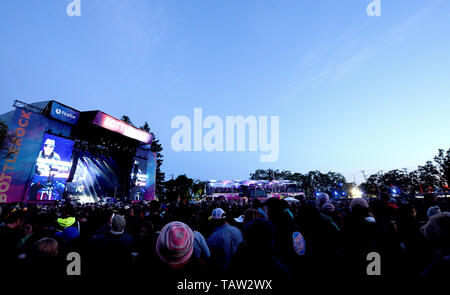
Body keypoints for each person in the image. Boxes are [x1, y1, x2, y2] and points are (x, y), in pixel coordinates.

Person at [206, 208, 243, 273]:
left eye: (212, 220)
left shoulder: (215, 236)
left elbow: (206, 253)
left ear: (215, 221)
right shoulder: (237, 230)